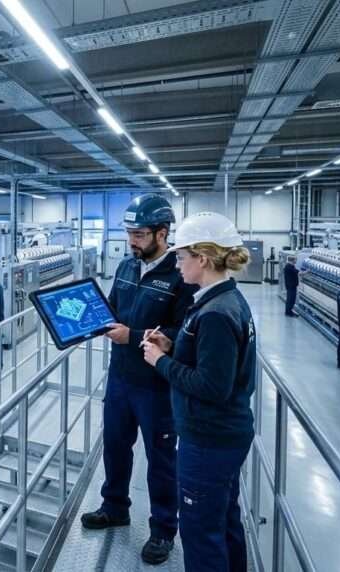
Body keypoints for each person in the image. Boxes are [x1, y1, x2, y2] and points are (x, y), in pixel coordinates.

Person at [79, 194, 196, 565]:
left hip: (157, 385)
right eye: (129, 232)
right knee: (115, 447)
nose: (132, 240)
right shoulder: (126, 268)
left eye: (140, 234)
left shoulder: (181, 276)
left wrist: (131, 335)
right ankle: (115, 506)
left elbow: (184, 332)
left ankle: (163, 529)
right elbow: (111, 308)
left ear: (163, 233)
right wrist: (84, 316)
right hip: (120, 377)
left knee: (161, 460)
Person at [139, 211, 256, 572]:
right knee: (224, 522)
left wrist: (159, 360)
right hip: (223, 435)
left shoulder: (217, 312)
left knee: (201, 533)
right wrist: (174, 346)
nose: (177, 264)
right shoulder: (220, 300)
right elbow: (212, 361)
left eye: (181, 257)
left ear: (202, 259)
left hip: (208, 438)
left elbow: (212, 386)